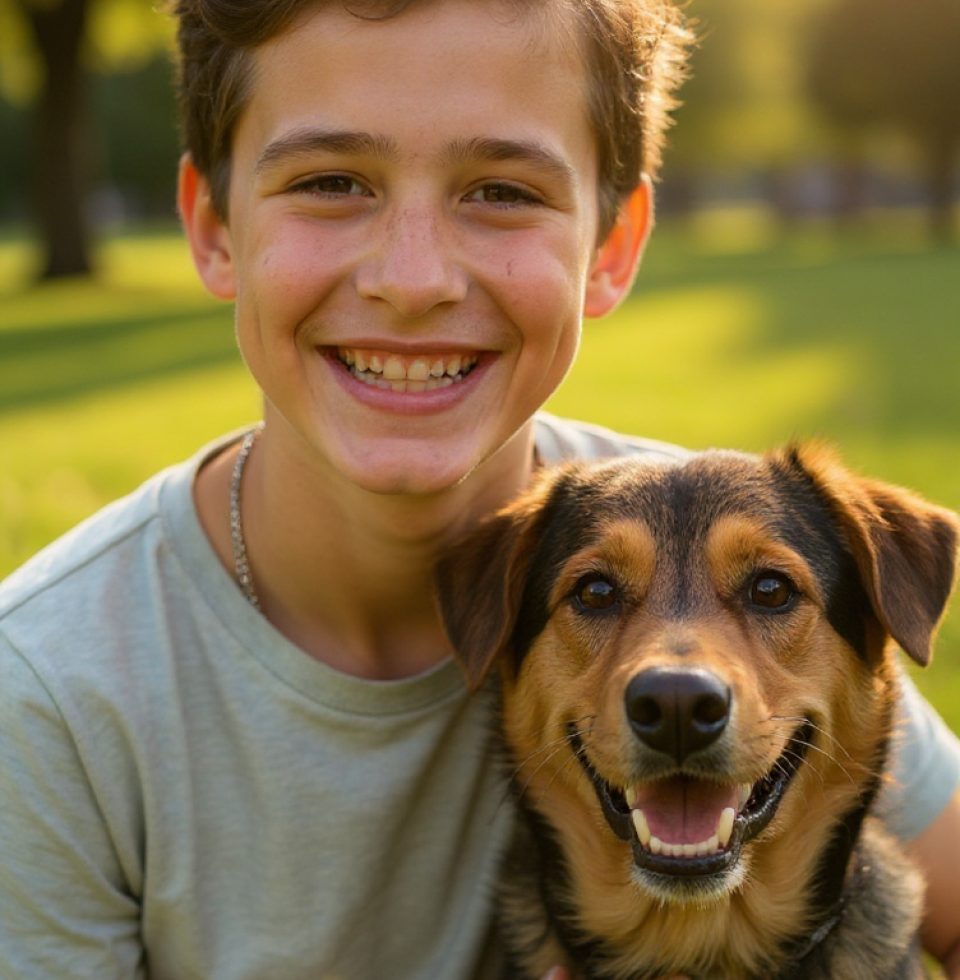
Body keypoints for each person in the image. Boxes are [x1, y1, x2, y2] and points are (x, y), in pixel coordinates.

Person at [0, 0, 958, 976]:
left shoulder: (711, 518)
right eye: (330, 182)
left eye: (502, 189)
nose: (413, 280)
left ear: (613, 243)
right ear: (212, 226)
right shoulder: (45, 695)